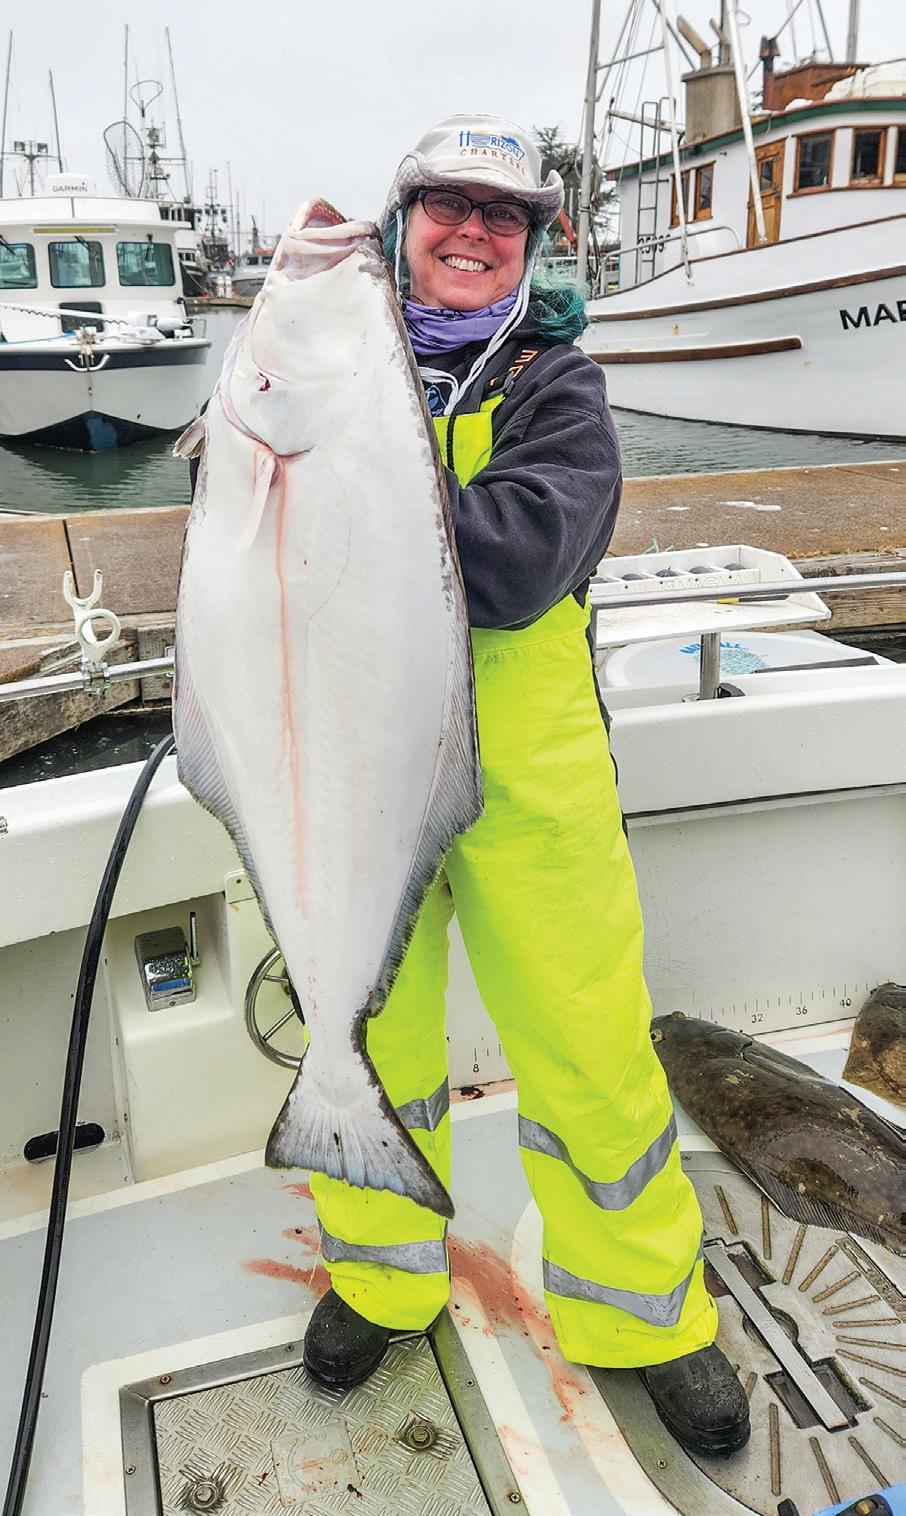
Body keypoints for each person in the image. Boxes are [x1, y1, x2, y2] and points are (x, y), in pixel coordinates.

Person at [302, 114, 750, 1459]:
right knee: (365, 1042)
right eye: (445, 205)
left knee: (590, 1053)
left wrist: (328, 495)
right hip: (345, 764)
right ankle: (378, 1280)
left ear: (532, 245)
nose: (472, 231)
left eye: (502, 216)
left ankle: (646, 1317)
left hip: (529, 783)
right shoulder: (328, 363)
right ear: (402, 226)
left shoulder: (558, 388)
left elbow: (517, 562)